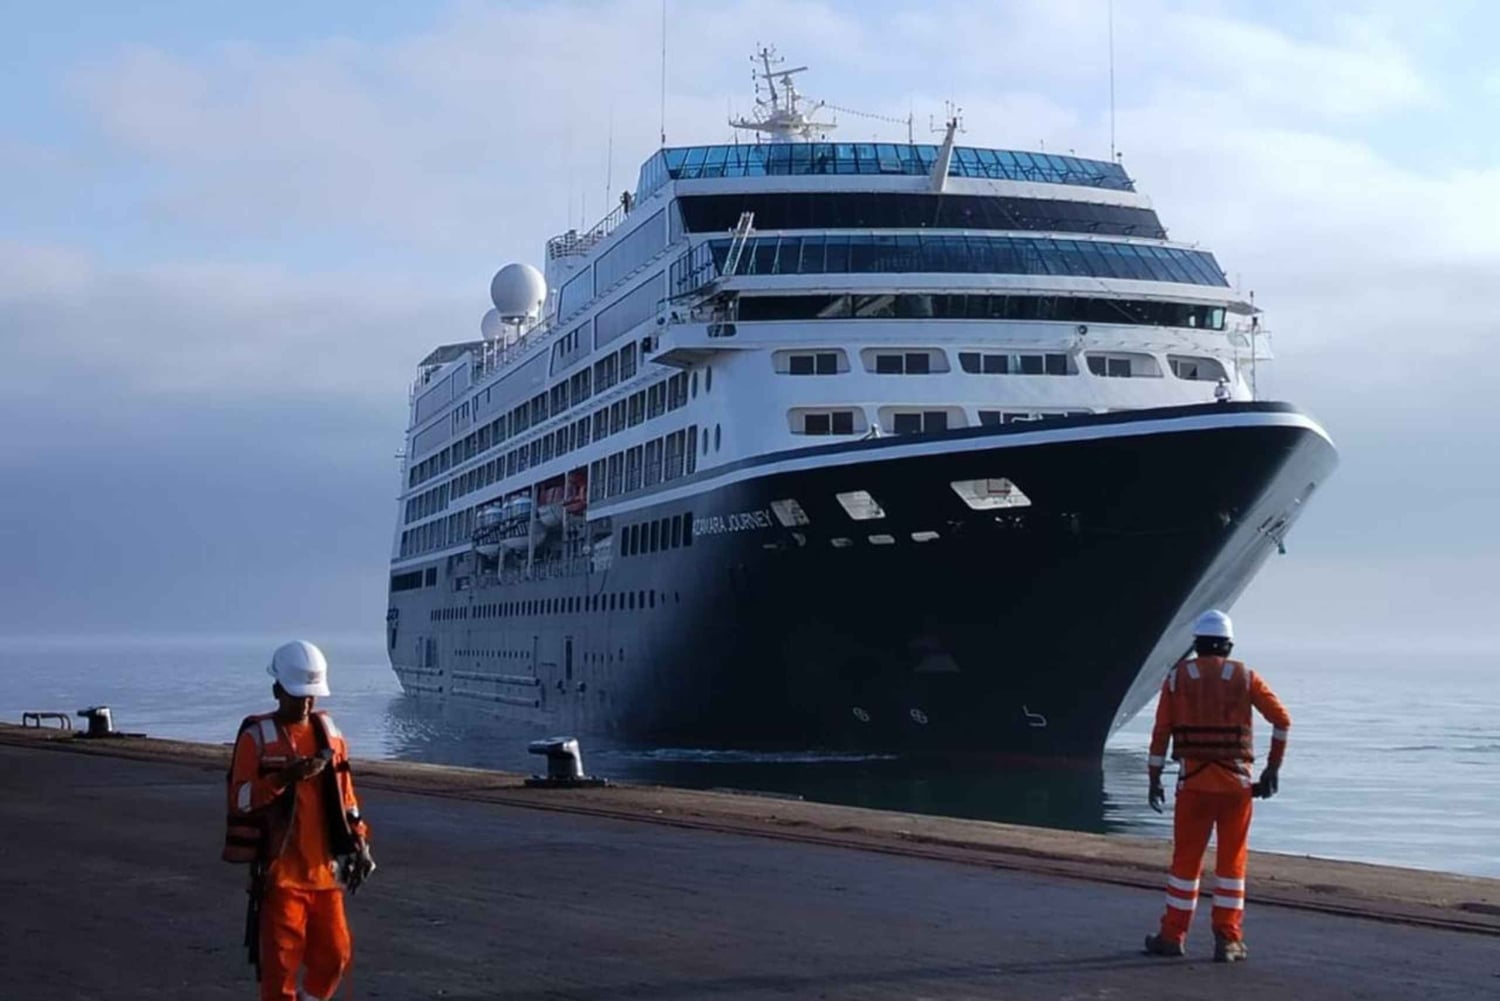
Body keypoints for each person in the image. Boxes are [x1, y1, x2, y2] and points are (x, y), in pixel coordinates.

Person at [223, 641, 376, 1001]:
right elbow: (240, 801)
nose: (307, 704)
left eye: (311, 697)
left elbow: (347, 798)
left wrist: (361, 841)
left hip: (326, 874)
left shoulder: (331, 736)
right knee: (279, 973)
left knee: (335, 957)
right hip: (281, 879)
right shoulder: (256, 739)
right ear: (277, 690)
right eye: (298, 696)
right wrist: (281, 779)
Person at [1142, 610, 1289, 963]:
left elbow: (1161, 734)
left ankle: (1172, 936)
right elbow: (1282, 720)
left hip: (1192, 787)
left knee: (1185, 864)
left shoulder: (1177, 679)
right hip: (1236, 789)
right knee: (1231, 865)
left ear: (1196, 644)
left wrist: (1153, 779)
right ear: (1229, 644)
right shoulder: (1246, 677)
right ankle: (1228, 940)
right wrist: (1272, 769)